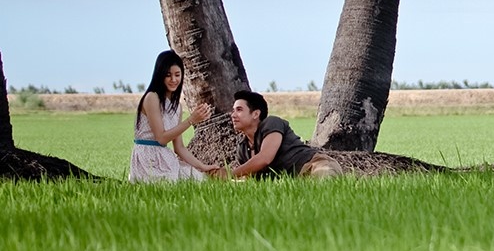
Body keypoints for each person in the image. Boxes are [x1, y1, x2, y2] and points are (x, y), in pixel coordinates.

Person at [209, 90, 342, 179]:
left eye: (239, 110)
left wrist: (230, 174)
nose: (233, 115)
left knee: (325, 187)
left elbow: (265, 158)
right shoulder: (243, 149)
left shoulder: (272, 123)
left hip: (315, 166)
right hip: (293, 182)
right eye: (233, 111)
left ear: (256, 113)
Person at [129, 50, 218, 182]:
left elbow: (179, 148)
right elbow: (161, 138)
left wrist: (202, 166)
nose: (173, 80)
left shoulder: (177, 107)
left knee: (202, 180)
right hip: (147, 158)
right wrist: (191, 120)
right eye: (168, 75)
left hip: (164, 156)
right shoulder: (151, 98)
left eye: (177, 75)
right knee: (169, 184)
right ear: (160, 75)